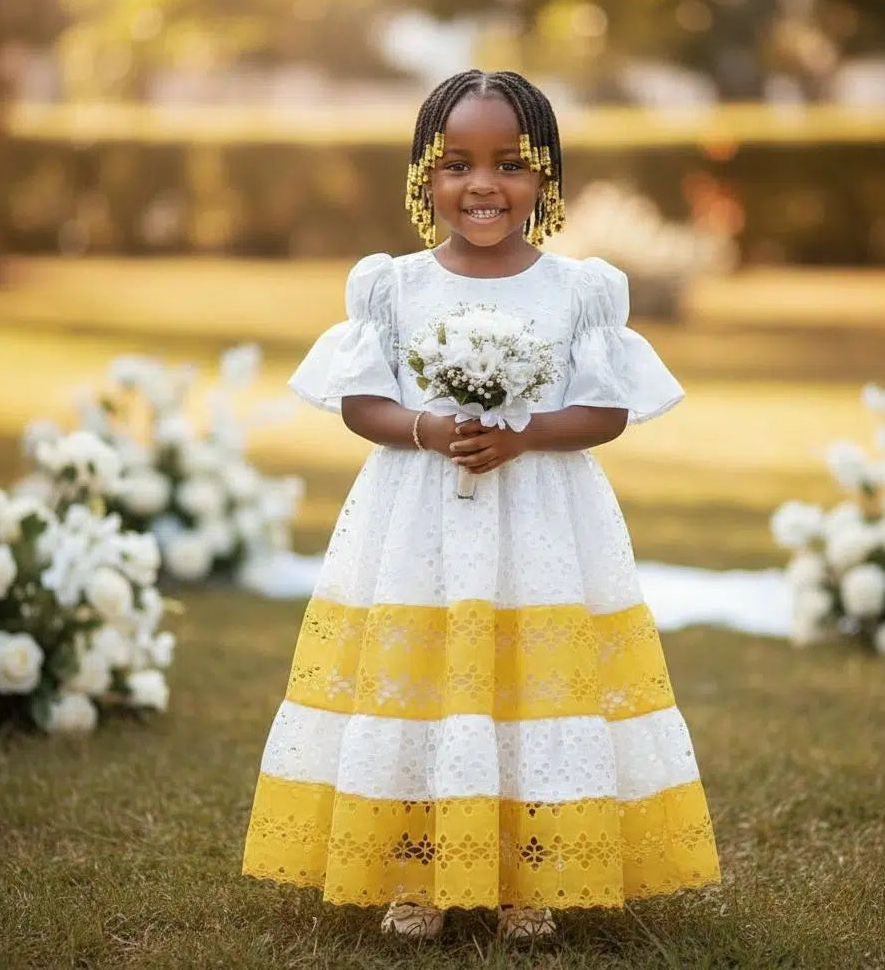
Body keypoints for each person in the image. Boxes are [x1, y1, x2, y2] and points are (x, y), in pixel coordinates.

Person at [242, 69, 720, 940]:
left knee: (529, 682)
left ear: (547, 177)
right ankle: (416, 868)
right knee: (423, 680)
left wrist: (523, 433)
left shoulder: (577, 291)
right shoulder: (394, 286)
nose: (483, 185)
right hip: (418, 523)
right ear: (425, 176)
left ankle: (525, 872)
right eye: (457, 163)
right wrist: (429, 426)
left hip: (537, 522)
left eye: (510, 163)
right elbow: (360, 401)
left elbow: (606, 410)